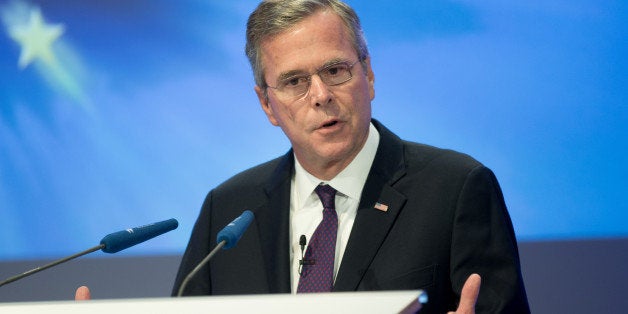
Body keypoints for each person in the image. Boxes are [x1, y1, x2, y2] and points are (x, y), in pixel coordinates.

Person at [170, 0, 530, 313]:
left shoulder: (455, 189)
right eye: (294, 81)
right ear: (267, 104)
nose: (321, 95)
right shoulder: (228, 208)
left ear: (368, 74)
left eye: (335, 71)